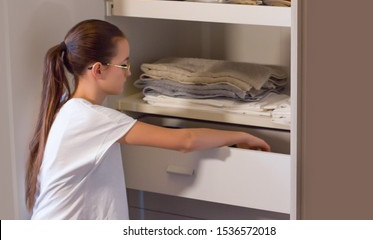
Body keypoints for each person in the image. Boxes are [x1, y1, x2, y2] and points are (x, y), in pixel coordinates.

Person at [26, 19, 271, 220]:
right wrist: (242, 135)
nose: (130, 72)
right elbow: (184, 140)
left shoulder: (69, 108)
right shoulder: (90, 118)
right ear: (99, 69)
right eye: (123, 64)